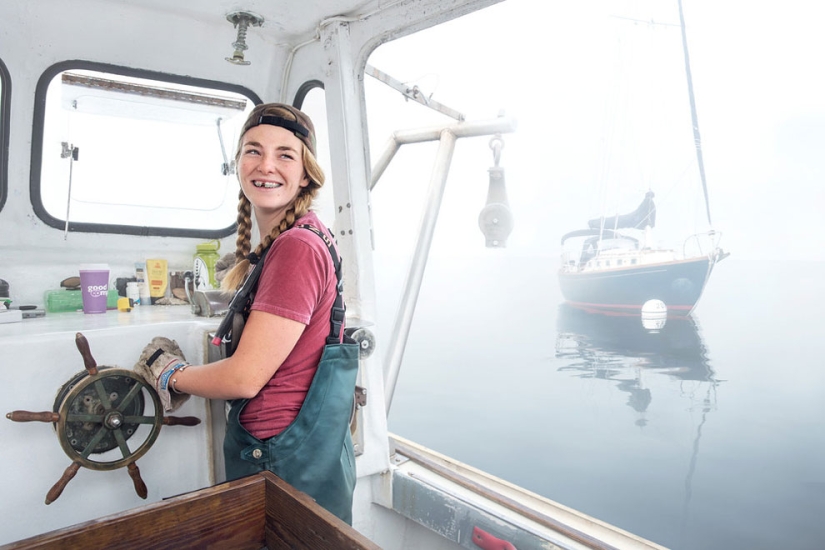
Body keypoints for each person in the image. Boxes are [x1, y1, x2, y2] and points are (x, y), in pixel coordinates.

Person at [134, 103, 359, 524]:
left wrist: (169, 373)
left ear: (306, 173)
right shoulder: (308, 235)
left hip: (277, 456)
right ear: (237, 164)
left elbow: (244, 378)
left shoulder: (296, 247)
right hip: (314, 449)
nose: (266, 165)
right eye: (253, 150)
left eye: (285, 155)